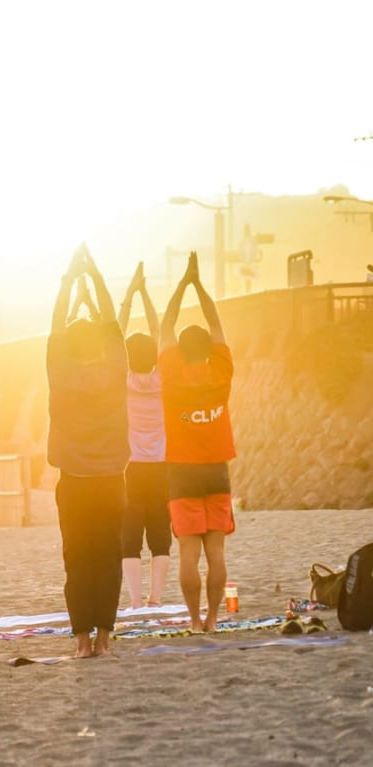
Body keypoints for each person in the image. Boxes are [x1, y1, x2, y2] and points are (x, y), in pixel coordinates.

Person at [47, 245, 130, 658]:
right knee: (109, 560)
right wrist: (95, 278)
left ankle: (81, 642)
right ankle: (103, 638)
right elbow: (113, 324)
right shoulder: (115, 372)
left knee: (77, 562)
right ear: (96, 345)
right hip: (112, 482)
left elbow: (56, 326)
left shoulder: (59, 373)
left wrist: (69, 280)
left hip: (74, 484)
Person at [160, 252, 236, 633]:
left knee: (188, 554)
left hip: (182, 473)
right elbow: (217, 322)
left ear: (180, 350)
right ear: (208, 349)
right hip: (216, 470)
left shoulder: (170, 373)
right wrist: (200, 284)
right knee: (216, 552)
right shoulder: (221, 371)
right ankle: (213, 618)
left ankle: (192, 619)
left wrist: (181, 285)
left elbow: (165, 325)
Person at [117, 262, 170, 609]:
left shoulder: (123, 380)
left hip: (131, 467)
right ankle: (155, 598)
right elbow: (161, 332)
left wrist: (130, 294)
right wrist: (146, 295)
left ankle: (136, 601)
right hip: (162, 465)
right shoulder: (164, 378)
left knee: (130, 535)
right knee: (160, 534)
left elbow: (115, 337)